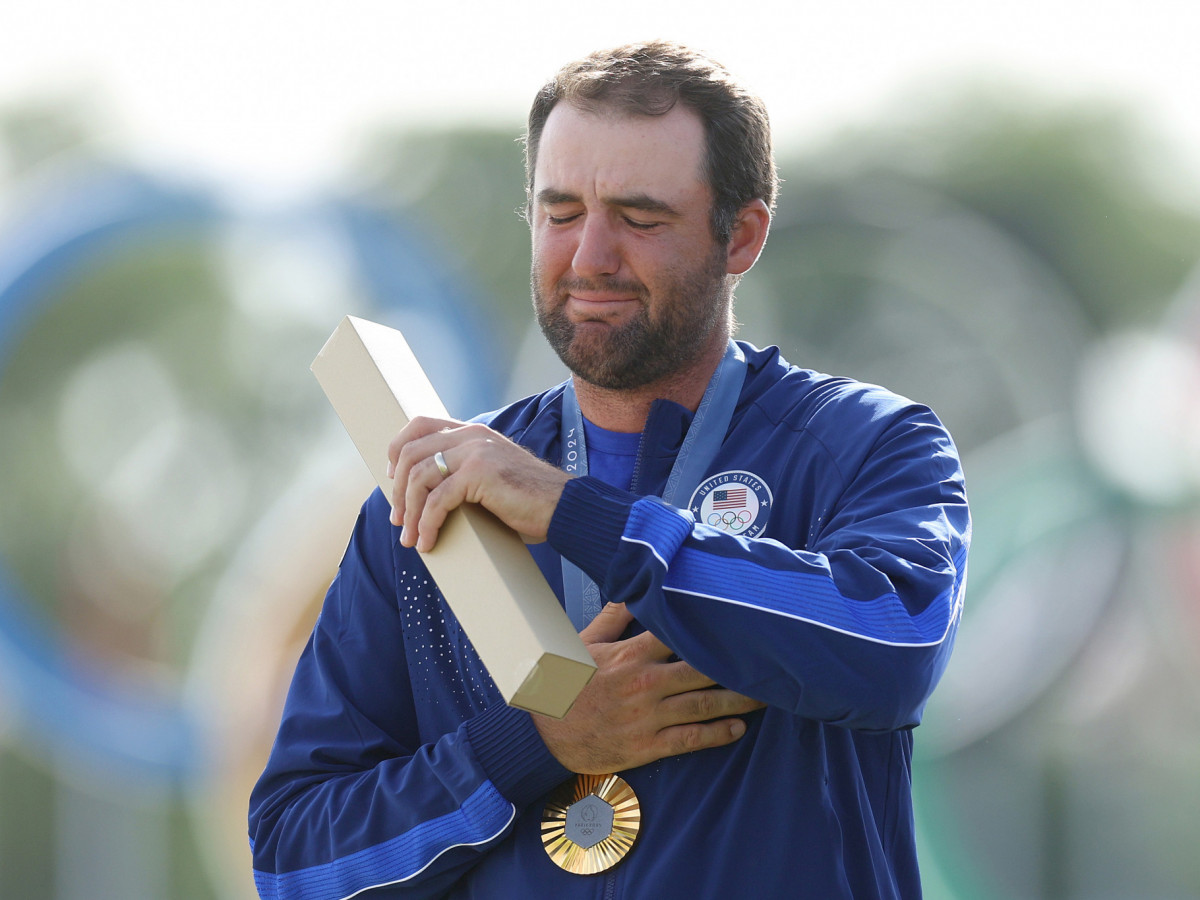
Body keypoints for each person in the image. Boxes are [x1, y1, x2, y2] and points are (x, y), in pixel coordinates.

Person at [249, 40, 970, 899]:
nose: (590, 256)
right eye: (560, 213)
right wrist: (533, 745)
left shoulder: (866, 444)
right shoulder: (424, 505)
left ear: (740, 236)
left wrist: (578, 515)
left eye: (639, 217)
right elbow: (295, 862)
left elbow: (895, 644)